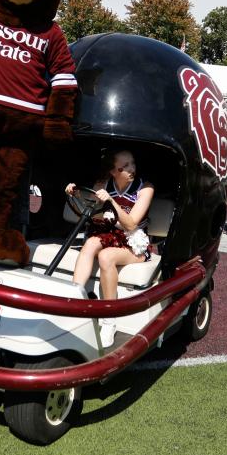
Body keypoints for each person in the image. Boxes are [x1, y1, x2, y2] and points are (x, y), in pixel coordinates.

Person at [64, 149, 154, 347]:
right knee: (89, 243)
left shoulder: (145, 188)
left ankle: (109, 320)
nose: (132, 169)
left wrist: (111, 201)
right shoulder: (102, 184)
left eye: (133, 163)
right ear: (114, 171)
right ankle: (74, 300)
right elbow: (92, 215)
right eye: (125, 166)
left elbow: (131, 224)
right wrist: (76, 195)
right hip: (110, 234)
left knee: (106, 257)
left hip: (134, 242)